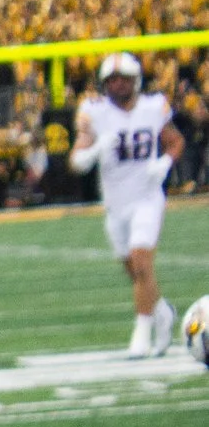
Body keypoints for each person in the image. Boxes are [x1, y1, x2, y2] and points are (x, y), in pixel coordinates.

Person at [70, 52, 185, 357]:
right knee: (134, 271)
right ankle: (162, 312)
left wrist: (164, 162)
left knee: (141, 260)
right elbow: (76, 161)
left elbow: (175, 142)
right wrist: (95, 150)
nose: (118, 85)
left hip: (147, 197)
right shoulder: (94, 111)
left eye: (123, 79)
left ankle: (142, 332)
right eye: (112, 80)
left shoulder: (152, 106)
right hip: (115, 204)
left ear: (136, 81)